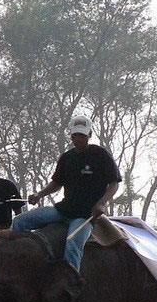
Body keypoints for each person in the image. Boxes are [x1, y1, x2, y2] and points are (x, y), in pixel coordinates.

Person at [11, 115, 121, 271]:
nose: (78, 138)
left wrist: (101, 203)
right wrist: (39, 194)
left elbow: (114, 183)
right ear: (71, 135)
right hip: (63, 209)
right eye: (75, 135)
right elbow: (57, 183)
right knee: (19, 221)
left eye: (82, 135)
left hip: (85, 215)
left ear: (89, 135)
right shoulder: (66, 158)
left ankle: (70, 280)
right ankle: (18, 263)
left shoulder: (101, 155)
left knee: (72, 242)